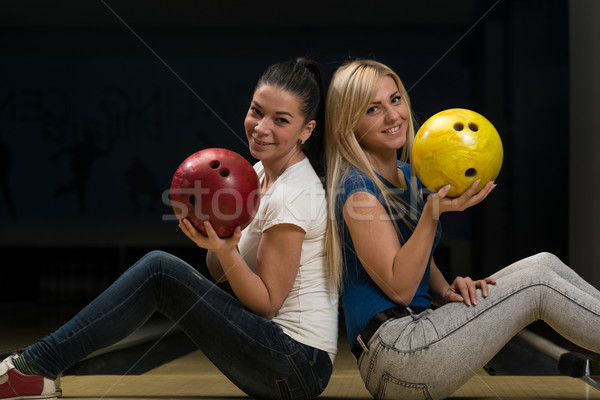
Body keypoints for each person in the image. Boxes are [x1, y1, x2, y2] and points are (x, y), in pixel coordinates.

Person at [0, 57, 338, 400]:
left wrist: (226, 250)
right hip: (281, 356)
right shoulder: (259, 174)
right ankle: (34, 365)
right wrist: (217, 242)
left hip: (296, 366)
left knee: (160, 270)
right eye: (256, 110)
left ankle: (34, 366)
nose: (261, 127)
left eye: (281, 120)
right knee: (161, 272)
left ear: (306, 130)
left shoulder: (295, 192)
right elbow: (222, 276)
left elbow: (266, 304)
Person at [324, 58, 600, 400]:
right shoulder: (357, 190)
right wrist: (431, 214)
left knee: (542, 263)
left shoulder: (408, 174)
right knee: (538, 286)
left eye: (395, 100)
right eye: (373, 109)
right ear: (349, 123)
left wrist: (445, 291)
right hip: (396, 356)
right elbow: (400, 290)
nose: (393, 116)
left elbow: (416, 260)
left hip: (418, 332)